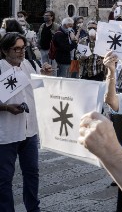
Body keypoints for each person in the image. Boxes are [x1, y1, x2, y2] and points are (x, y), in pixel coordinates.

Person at [0, 32, 53, 212]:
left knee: (32, 173)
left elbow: (40, 90)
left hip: (30, 131)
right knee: (4, 178)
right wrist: (7, 108)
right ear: (5, 51)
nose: (21, 52)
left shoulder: (30, 64)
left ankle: (33, 209)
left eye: (23, 48)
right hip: (7, 133)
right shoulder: (0, 68)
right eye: (16, 49)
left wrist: (45, 75)